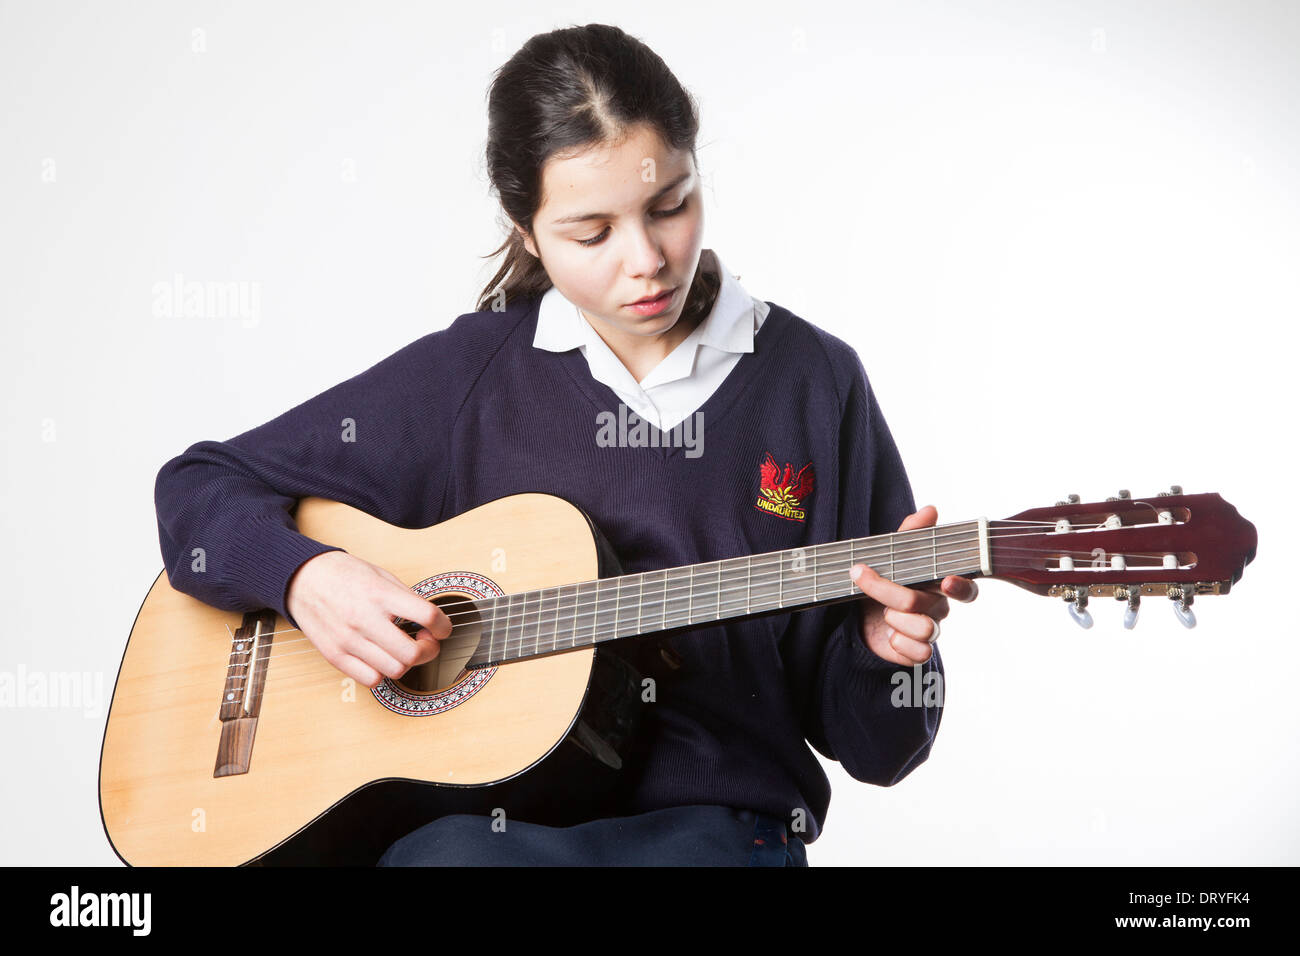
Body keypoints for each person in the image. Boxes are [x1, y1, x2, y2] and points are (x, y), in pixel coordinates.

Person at [153, 22, 978, 867]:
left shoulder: (813, 382)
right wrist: (306, 578)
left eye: (670, 206)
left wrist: (885, 653)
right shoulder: (471, 376)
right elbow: (199, 489)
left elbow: (882, 749)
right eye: (593, 234)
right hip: (482, 836)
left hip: (718, 832)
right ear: (527, 229)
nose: (648, 260)